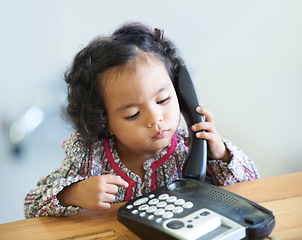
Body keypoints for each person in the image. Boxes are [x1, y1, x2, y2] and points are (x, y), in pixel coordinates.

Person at [24, 22, 259, 218]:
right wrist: (71, 194)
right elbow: (31, 204)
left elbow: (253, 185)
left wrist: (220, 154)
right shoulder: (89, 156)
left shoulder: (192, 147)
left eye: (164, 100)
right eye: (132, 114)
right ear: (103, 122)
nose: (156, 119)